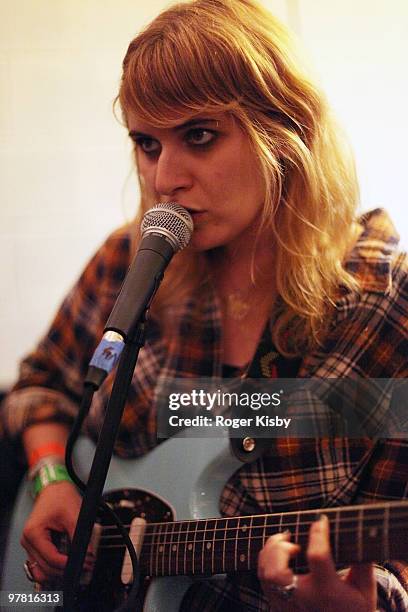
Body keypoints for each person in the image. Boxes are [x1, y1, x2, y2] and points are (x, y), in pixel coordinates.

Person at [1, 0, 407, 610]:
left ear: (287, 132)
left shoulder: (387, 309)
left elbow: (394, 566)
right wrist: (52, 476)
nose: (165, 179)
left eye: (198, 136)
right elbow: (41, 385)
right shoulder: (132, 259)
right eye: (146, 143)